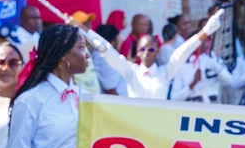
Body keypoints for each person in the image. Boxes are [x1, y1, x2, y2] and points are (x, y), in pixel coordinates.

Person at [83, 10, 223, 100]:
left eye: (151, 50)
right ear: (137, 51)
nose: (146, 54)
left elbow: (184, 51)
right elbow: (106, 50)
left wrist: (206, 31)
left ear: (157, 51)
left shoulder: (165, 72)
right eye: (142, 50)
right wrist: (81, 29)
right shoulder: (130, 71)